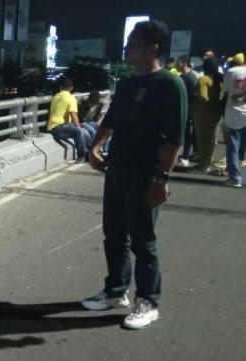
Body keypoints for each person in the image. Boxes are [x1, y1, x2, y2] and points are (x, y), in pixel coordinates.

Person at [81, 20, 187, 330]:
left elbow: (174, 139)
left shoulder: (170, 84)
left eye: (134, 43)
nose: (127, 48)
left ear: (153, 48)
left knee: (143, 242)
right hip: (117, 170)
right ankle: (116, 291)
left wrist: (161, 179)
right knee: (113, 236)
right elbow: (111, 119)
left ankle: (148, 301)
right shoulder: (127, 83)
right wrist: (94, 147)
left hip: (146, 174)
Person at [46, 78, 91, 161]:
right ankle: (83, 155)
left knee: (85, 132)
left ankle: (90, 153)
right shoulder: (71, 98)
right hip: (58, 127)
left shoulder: (56, 96)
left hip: (51, 126)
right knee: (79, 132)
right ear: (71, 88)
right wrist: (78, 128)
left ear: (61, 87)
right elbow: (74, 116)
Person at [193, 57, 224, 172]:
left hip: (203, 114)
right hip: (216, 114)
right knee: (212, 140)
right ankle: (207, 163)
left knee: (202, 140)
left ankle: (203, 165)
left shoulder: (204, 79)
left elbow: (202, 96)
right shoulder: (219, 78)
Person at [222, 52, 246, 188]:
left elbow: (225, 90)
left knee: (233, 147)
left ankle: (235, 178)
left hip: (235, 114)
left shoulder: (231, 72)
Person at [176, 55, 199, 167]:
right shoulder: (182, 76)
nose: (176, 65)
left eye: (178, 63)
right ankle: (181, 156)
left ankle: (185, 157)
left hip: (188, 110)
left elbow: (196, 96)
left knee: (187, 134)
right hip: (181, 109)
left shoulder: (191, 78)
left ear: (184, 63)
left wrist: (191, 109)